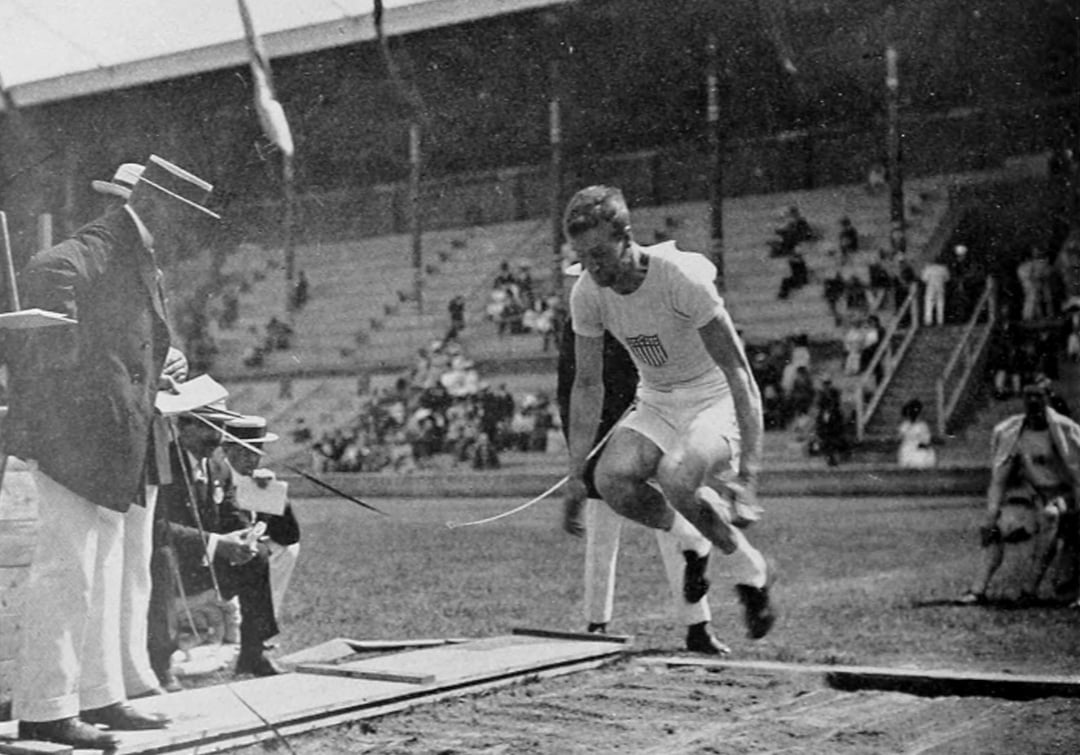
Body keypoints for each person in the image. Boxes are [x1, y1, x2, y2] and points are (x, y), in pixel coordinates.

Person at [2, 155, 217, 749]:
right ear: (152, 205)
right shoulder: (105, 239)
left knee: (101, 571)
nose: (189, 229)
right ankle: (46, 709)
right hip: (78, 432)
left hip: (105, 435)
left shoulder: (136, 250)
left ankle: (101, 696)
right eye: (183, 215)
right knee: (67, 570)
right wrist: (84, 369)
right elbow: (48, 270)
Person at [560, 185, 776, 642]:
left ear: (626, 236)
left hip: (712, 400)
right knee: (612, 480)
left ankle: (749, 571)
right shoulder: (588, 293)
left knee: (678, 478)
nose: (592, 267)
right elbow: (587, 383)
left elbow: (739, 374)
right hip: (657, 399)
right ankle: (698, 539)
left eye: (600, 253)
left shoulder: (680, 277)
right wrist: (577, 472)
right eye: (582, 257)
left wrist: (749, 474)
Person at [557, 259, 729, 655]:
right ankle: (597, 623)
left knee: (676, 530)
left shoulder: (640, 307)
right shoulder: (578, 325)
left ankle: (697, 627)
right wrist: (579, 459)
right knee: (602, 537)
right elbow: (575, 389)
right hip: (606, 441)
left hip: (652, 429)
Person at [152, 409, 283, 681]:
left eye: (219, 429)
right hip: (168, 565)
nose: (214, 437)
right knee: (163, 558)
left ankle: (253, 652)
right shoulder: (162, 463)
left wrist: (244, 536)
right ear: (181, 426)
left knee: (258, 556)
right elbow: (155, 527)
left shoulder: (218, 467)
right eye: (206, 428)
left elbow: (231, 515)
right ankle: (161, 663)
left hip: (204, 566)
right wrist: (214, 543)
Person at [960, 381, 1080, 605]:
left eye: (1038, 396)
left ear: (1048, 398)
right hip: (1033, 496)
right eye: (1028, 396)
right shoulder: (1012, 431)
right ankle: (978, 589)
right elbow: (999, 480)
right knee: (995, 527)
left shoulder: (1066, 430)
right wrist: (991, 514)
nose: (1033, 401)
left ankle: (1029, 588)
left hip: (1066, 497)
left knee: (1052, 517)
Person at [221, 415, 302, 622]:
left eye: (256, 452)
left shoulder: (260, 479)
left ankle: (263, 624)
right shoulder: (218, 475)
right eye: (242, 451)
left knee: (286, 551)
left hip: (248, 552)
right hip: (220, 551)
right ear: (226, 450)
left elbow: (289, 536)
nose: (251, 459)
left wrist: (276, 496)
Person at [897, 399, 936, 469]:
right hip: (913, 453)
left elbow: (900, 438)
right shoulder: (921, 426)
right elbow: (925, 441)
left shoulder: (905, 425)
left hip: (908, 452)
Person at [920, 255, 950, 326]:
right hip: (940, 288)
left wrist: (923, 270)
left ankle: (928, 321)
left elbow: (924, 279)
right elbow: (947, 279)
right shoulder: (943, 268)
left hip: (930, 288)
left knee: (929, 305)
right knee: (940, 305)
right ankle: (940, 321)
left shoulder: (928, 268)